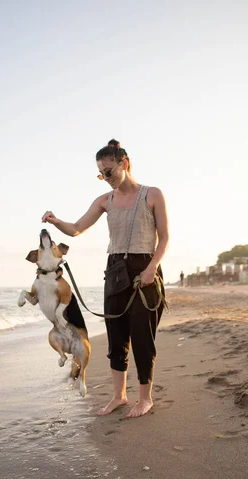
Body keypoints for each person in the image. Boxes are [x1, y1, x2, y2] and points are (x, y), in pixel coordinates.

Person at [41, 139, 169, 418]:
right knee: (116, 336)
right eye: (101, 173)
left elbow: (165, 238)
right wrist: (55, 220)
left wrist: (151, 268)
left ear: (124, 164)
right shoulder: (104, 201)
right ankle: (119, 396)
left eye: (109, 171)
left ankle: (145, 398)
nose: (106, 178)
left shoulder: (152, 195)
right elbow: (76, 229)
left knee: (142, 336)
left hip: (145, 269)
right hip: (115, 271)